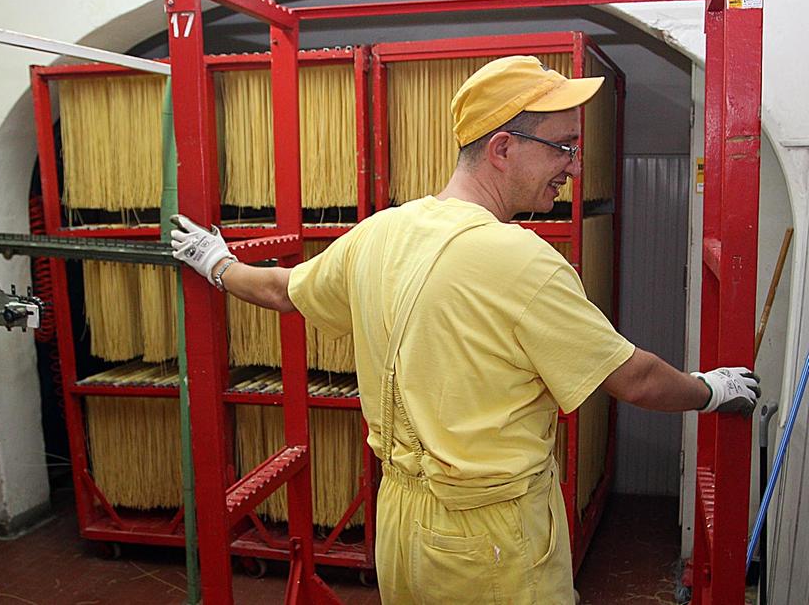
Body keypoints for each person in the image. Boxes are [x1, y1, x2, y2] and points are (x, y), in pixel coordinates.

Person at [169, 55, 759, 604]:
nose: (575, 168)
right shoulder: (522, 260)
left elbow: (282, 290)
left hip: (400, 529)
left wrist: (217, 264)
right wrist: (711, 390)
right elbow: (633, 379)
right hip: (492, 546)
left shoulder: (380, 233)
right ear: (503, 147)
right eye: (563, 148)